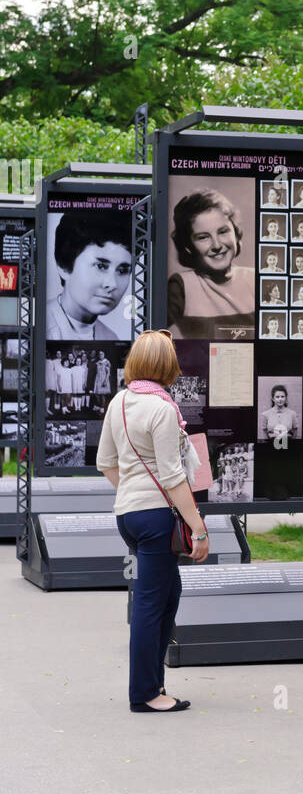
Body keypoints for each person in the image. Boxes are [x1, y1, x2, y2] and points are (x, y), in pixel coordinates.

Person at [96, 330, 209, 713]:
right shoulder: (162, 409)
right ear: (166, 365)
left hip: (129, 514)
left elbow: (105, 463)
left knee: (165, 595)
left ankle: (153, 683)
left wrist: (131, 493)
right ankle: (145, 693)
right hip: (156, 517)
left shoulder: (120, 402)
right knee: (151, 602)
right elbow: (173, 476)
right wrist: (198, 527)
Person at [168, 190, 255, 339]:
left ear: (235, 233)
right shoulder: (181, 286)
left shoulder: (256, 279)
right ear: (188, 246)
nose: (217, 245)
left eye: (223, 232)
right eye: (203, 237)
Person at [46, 211, 133, 340]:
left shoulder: (111, 338)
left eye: (122, 270)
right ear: (64, 266)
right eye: (101, 266)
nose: (113, 284)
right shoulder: (38, 326)